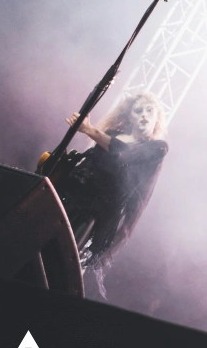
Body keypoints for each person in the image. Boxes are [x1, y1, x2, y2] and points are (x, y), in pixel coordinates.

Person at [57, 91, 169, 273]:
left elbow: (124, 155)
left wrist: (90, 130)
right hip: (70, 198)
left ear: (157, 118)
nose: (144, 115)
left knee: (62, 256)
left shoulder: (157, 148)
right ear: (129, 117)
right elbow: (88, 163)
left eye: (150, 110)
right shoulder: (111, 134)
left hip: (95, 216)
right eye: (138, 111)